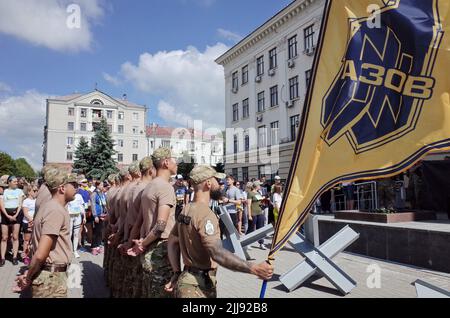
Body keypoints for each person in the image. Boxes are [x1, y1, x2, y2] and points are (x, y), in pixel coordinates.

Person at [165, 165, 273, 298]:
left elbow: (172, 241)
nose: (220, 184)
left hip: (187, 280)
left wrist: (176, 272)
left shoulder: (186, 209)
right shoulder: (205, 214)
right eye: (216, 180)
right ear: (208, 183)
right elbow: (217, 253)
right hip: (197, 287)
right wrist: (253, 268)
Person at [15, 169, 76, 298]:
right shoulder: (55, 210)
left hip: (49, 276)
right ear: (62, 188)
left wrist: (29, 272)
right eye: (73, 185)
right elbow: (40, 254)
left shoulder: (50, 206)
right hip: (51, 280)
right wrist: (29, 277)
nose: (76, 188)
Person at [128, 147, 178, 298]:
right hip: (160, 251)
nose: (177, 164)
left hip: (150, 247)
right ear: (166, 162)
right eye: (174, 160)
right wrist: (141, 245)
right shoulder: (165, 187)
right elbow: (160, 226)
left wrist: (142, 243)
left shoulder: (150, 185)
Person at [1, 176, 25, 266]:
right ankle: (2, 258)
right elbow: (2, 204)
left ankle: (14, 257)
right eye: (14, 181)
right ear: (9, 182)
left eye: (16, 181)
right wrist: (7, 215)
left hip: (16, 215)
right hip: (5, 214)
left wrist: (15, 215)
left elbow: (20, 204)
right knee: (4, 237)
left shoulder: (20, 191)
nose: (16, 183)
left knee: (15, 237)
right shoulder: (5, 191)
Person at [66, 184, 86, 259]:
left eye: (76, 187)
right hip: (70, 217)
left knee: (76, 234)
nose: (75, 189)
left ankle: (75, 250)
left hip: (78, 216)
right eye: (74, 187)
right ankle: (69, 250)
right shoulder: (68, 196)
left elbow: (82, 206)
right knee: (69, 233)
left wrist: (84, 217)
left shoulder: (79, 196)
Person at [247, 181, 266, 250]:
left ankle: (261, 243)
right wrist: (249, 215)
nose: (260, 186)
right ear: (256, 186)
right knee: (251, 228)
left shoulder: (258, 193)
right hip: (253, 213)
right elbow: (248, 205)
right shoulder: (250, 193)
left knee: (260, 228)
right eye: (259, 185)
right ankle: (247, 243)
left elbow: (260, 202)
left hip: (260, 212)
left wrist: (263, 202)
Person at [22, 185, 38, 265]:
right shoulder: (26, 201)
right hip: (28, 222)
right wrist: (31, 220)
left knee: (34, 240)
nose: (36, 192)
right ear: (29, 192)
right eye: (34, 190)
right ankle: (25, 256)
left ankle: (33, 255)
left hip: (35, 223)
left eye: (36, 190)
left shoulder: (37, 200)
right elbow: (25, 213)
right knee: (27, 240)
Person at [91, 181, 107, 256]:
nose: (102, 186)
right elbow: (93, 205)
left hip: (102, 215)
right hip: (97, 216)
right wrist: (95, 216)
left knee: (100, 231)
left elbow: (105, 203)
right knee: (95, 232)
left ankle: (98, 246)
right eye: (101, 185)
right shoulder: (94, 194)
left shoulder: (102, 193)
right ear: (97, 186)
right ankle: (93, 247)